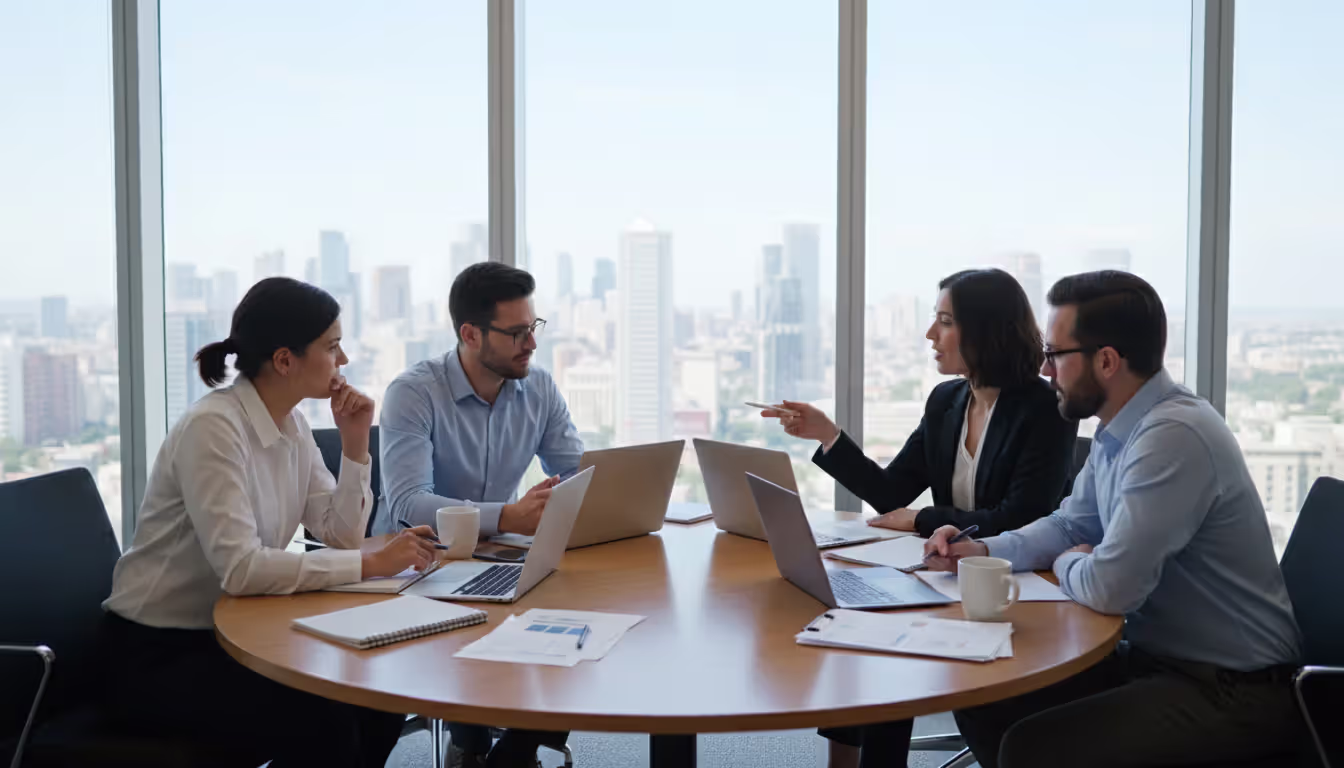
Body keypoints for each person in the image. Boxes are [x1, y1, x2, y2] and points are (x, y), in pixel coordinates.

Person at [923, 271, 1305, 768]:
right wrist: (985, 550)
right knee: (984, 695)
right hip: (1156, 661)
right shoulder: (1118, 429)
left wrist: (1066, 564)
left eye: (1056, 355)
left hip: (1232, 688)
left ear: (1106, 361)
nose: (1043, 369)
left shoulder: (1172, 437)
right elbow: (1068, 525)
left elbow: (1111, 588)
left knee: (1032, 748)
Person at [102, 277, 435, 767]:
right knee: (326, 719)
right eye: (332, 347)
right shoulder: (213, 428)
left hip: (240, 633)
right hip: (158, 653)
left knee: (374, 693)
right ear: (285, 360)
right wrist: (369, 566)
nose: (343, 361)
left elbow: (340, 536)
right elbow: (241, 570)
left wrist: (355, 444)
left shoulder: (291, 422)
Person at [764, 268, 1076, 768]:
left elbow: (1022, 516)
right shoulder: (947, 401)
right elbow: (890, 494)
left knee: (892, 644)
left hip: (1011, 584)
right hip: (944, 571)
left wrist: (921, 520)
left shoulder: (1044, 407)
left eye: (945, 322)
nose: (930, 334)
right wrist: (828, 436)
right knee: (864, 622)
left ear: (985, 330)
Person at [378, 261, 582, 768]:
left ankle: (510, 752)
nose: (530, 344)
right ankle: (473, 742)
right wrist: (508, 516)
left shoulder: (539, 389)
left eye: (533, 328)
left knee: (584, 621)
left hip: (497, 563)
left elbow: (576, 472)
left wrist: (603, 493)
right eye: (515, 333)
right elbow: (407, 506)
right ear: (470, 334)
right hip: (413, 572)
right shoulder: (414, 393)